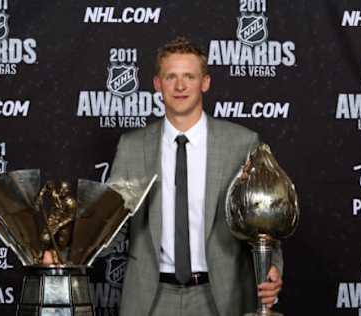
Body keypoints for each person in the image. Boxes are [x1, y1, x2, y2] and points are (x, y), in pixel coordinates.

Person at [111, 37, 283, 316]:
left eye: (189, 77)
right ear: (157, 84)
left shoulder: (242, 143)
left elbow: (264, 216)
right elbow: (109, 224)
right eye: (171, 77)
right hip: (150, 298)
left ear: (205, 82)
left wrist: (272, 266)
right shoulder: (131, 146)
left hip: (220, 297)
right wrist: (67, 252)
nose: (180, 86)